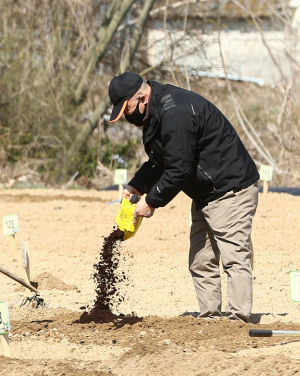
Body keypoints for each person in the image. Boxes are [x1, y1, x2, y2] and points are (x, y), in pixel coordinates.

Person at [108, 72, 259, 322]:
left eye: (127, 108)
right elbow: (160, 160)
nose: (126, 116)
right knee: (201, 261)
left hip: (230, 189)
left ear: (142, 97)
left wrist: (151, 201)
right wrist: (137, 185)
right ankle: (210, 319)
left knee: (234, 258)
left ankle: (237, 322)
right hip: (205, 193)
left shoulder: (176, 112)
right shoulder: (156, 114)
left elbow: (179, 168)